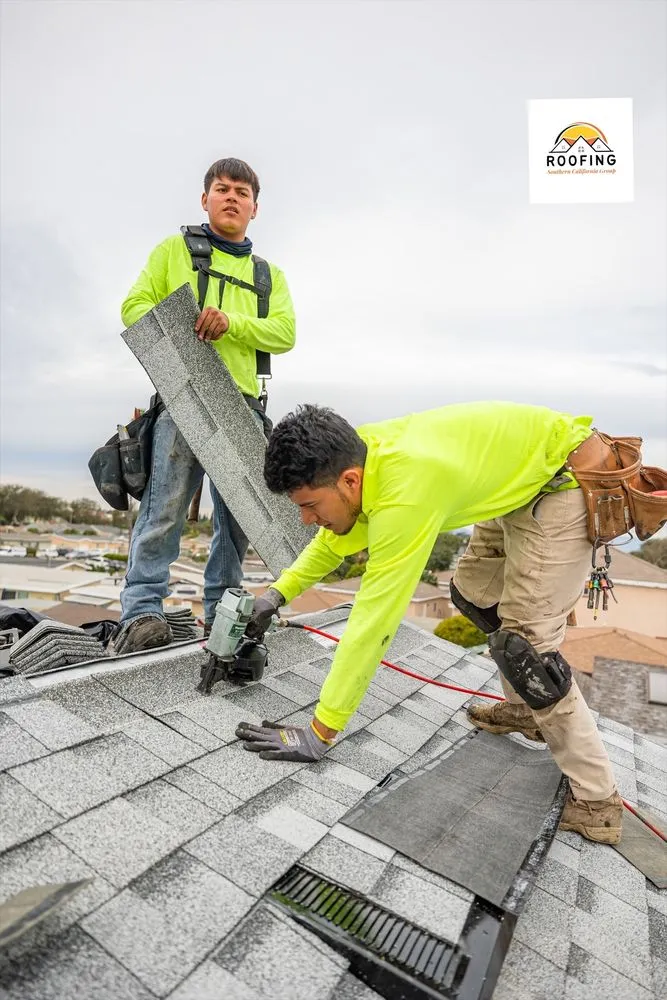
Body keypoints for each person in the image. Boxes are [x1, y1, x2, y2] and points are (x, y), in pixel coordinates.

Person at [235, 400, 624, 845]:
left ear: (349, 481)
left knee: (528, 651)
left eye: (309, 505)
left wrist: (321, 731)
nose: (306, 519)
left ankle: (598, 802)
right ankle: (525, 711)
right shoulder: (360, 459)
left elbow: (373, 619)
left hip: (564, 483)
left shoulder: (405, 491)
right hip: (521, 482)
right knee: (475, 594)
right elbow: (332, 540)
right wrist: (275, 595)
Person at [115, 158, 295, 653]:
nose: (231, 197)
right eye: (222, 189)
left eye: (242, 191)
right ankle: (142, 615)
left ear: (255, 207)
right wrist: (185, 320)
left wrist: (231, 322)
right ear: (205, 199)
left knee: (236, 525)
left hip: (244, 410)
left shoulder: (267, 276)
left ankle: (224, 617)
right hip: (183, 401)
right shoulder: (173, 251)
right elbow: (134, 307)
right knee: (163, 511)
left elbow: (285, 333)